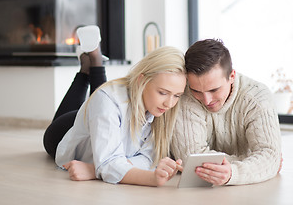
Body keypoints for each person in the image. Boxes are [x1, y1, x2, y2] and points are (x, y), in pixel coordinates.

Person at [43, 25, 186, 187]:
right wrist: (150, 179)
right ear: (141, 80)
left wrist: (93, 170)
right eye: (162, 93)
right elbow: (108, 162)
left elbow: (147, 159)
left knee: (101, 99)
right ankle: (92, 65)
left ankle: (87, 66)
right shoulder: (107, 99)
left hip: (103, 117)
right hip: (63, 131)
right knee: (102, 97)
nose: (169, 103)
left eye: (177, 96)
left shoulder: (161, 109)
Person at [171, 38, 282, 186]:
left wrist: (232, 173)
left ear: (232, 76)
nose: (206, 100)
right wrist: (253, 161)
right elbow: (190, 159)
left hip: (248, 191)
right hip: (196, 190)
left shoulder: (257, 97)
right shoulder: (185, 94)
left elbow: (270, 156)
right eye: (196, 91)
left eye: (214, 90)